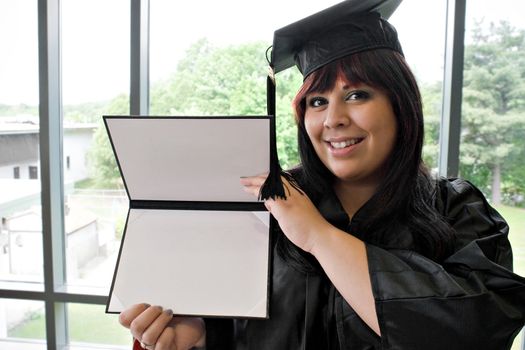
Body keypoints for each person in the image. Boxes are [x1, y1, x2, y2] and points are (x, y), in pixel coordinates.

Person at [118, 0, 525, 349]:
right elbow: (234, 330)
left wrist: (317, 235)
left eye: (357, 94)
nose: (333, 119)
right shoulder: (265, 208)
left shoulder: (456, 209)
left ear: (401, 105)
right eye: (317, 101)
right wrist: (200, 337)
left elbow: (473, 330)